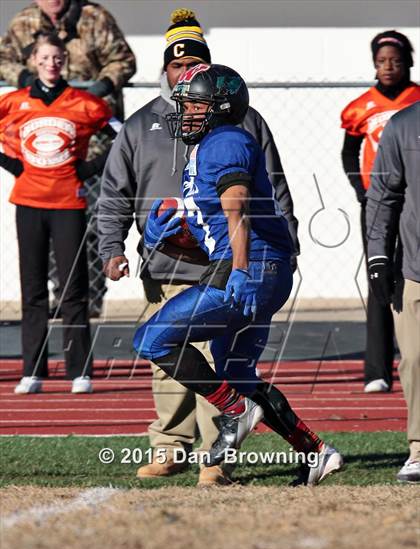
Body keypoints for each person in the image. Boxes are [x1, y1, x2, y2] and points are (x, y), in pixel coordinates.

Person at [98, 9, 299, 486]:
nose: (184, 72)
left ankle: (218, 459)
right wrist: (113, 246)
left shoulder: (242, 122)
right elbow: (114, 192)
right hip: (170, 260)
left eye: (194, 64)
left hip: (230, 259)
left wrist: (284, 240)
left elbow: (271, 185)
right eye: (175, 65)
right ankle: (169, 447)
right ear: (164, 70)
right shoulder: (141, 124)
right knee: (168, 362)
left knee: (223, 360)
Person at [130, 63, 343, 485]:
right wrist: (165, 240)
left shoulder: (226, 140)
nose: (185, 112)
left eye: (193, 104)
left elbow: (237, 206)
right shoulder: (208, 145)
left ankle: (234, 410)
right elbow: (211, 239)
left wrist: (242, 271)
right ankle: (317, 452)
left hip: (252, 267)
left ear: (219, 107)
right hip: (255, 266)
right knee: (238, 375)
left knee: (151, 339)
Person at [0, 0, 136, 317]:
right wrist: (24, 79)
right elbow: (3, 59)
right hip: (45, 148)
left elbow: (123, 60)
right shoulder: (23, 22)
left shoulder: (94, 17)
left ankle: (88, 297)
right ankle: (60, 292)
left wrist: (101, 86)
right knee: (46, 228)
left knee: (94, 221)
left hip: (95, 140)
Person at [0, 33, 118, 395]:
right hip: (29, 202)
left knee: (73, 288)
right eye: (45, 57)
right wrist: (14, 166)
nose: (52, 63)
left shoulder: (85, 103)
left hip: (69, 202)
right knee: (33, 288)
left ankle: (79, 370)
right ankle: (32, 371)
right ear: (34, 60)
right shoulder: (15, 102)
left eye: (58, 58)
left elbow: (121, 138)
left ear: (64, 61)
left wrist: (89, 169)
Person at [340, 30, 420, 393]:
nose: (388, 66)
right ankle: (377, 369)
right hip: (379, 201)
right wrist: (362, 192)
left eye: (395, 59)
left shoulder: (416, 99)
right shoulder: (361, 106)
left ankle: (410, 359)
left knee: (411, 279)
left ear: (409, 62)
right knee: (380, 276)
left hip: (413, 201)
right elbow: (348, 154)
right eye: (381, 60)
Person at [366, 101, 420, 483]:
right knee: (416, 360)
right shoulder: (403, 124)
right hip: (415, 267)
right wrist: (379, 256)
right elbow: (384, 195)